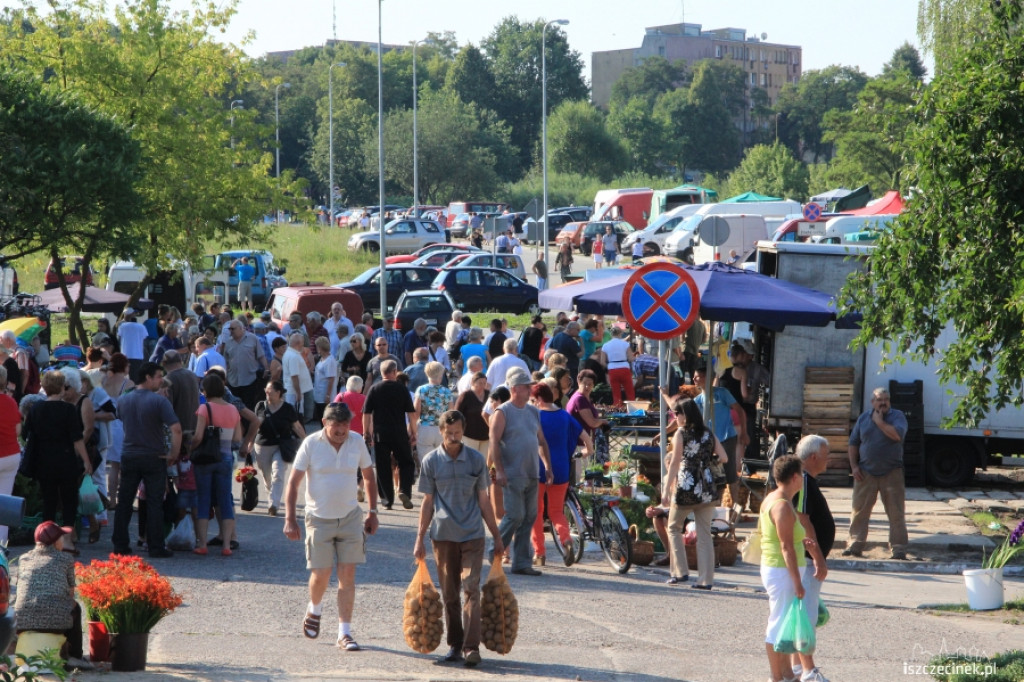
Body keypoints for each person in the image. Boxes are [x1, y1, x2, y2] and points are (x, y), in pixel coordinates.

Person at [284, 402, 378, 652]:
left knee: (347, 577)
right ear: (325, 423)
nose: (342, 430)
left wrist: (373, 512)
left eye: (346, 424)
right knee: (321, 574)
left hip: (350, 518)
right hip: (319, 518)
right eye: (337, 424)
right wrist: (290, 518)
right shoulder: (312, 443)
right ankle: (314, 608)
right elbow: (293, 483)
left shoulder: (357, 441)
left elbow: (368, 476)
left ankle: (344, 633)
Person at [413, 410, 504, 668]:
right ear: (441, 432)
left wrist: (496, 536)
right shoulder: (431, 462)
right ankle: (455, 644)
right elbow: (427, 502)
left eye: (458, 433)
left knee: (471, 588)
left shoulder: (476, 460)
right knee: (450, 594)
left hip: (473, 535)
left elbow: (485, 501)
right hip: (443, 536)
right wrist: (419, 538)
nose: (453, 437)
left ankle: (471, 647)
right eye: (449, 433)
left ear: (463, 431)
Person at [112, 362, 181, 558]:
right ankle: (156, 546)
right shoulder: (159, 402)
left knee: (124, 501)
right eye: (159, 376)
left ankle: (120, 544)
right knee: (154, 503)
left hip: (129, 454)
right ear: (148, 378)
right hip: (153, 455)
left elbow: (122, 420)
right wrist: (173, 454)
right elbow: (176, 429)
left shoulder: (123, 400)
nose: (161, 380)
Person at [488, 367, 553, 576]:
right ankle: (494, 552)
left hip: (532, 472)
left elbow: (541, 441)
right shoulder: (502, 412)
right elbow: (494, 442)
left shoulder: (534, 411)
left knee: (530, 517)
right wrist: (499, 470)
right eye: (527, 387)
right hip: (512, 473)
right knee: (514, 515)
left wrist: (548, 467)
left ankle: (522, 562)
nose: (530, 391)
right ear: (515, 389)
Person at [22, 371, 92, 554]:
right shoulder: (68, 409)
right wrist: (86, 461)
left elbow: (25, 433)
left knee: (49, 501)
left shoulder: (36, 408)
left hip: (43, 461)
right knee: (69, 500)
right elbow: (77, 438)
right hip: (66, 459)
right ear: (61, 387)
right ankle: (67, 539)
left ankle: (47, 540)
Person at [662, 398, 728, 589]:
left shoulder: (681, 434)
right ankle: (706, 580)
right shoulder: (708, 433)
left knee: (674, 527)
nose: (676, 417)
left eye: (677, 414)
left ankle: (680, 572)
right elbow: (724, 457)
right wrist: (706, 462)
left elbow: (674, 463)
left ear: (685, 415)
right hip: (706, 485)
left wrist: (666, 489)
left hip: (685, 484)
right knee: (705, 534)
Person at [14, 522, 89, 669]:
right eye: (61, 537)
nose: (63, 540)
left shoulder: (23, 559)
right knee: (75, 607)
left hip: (22, 623)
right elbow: (70, 593)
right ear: (55, 542)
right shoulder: (66, 559)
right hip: (57, 623)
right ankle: (75, 656)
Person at [844, 387, 908, 560]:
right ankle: (854, 545)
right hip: (865, 472)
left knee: (896, 512)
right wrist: (854, 467)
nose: (883, 402)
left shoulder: (897, 417)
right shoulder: (863, 418)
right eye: (879, 399)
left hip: (892, 472)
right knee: (859, 511)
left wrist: (879, 422)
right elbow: (853, 444)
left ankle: (899, 548)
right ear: (872, 402)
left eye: (886, 399)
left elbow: (897, 436)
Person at [529, 383, 589, 567]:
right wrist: (584, 453)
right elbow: (586, 439)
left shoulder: (535, 415)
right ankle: (566, 540)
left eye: (532, 399)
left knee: (536, 513)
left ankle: (540, 554)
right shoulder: (565, 416)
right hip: (561, 469)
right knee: (556, 511)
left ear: (538, 399)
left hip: (538, 468)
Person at [760, 455, 808, 682]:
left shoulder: (777, 498)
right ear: (795, 477)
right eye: (802, 475)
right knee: (778, 622)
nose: (804, 479)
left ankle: (787, 673)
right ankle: (776, 676)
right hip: (781, 570)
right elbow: (786, 547)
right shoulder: (781, 506)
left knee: (784, 622)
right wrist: (798, 582)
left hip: (779, 568)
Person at [792, 435, 835, 682]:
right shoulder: (804, 480)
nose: (829, 459)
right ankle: (808, 671)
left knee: (802, 614)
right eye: (826, 453)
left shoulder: (805, 479)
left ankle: (797, 669)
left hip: (805, 560)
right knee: (805, 616)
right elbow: (803, 518)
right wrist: (818, 556)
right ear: (813, 457)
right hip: (806, 561)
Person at [189, 373, 241, 555]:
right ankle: (227, 545)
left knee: (203, 499)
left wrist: (190, 449)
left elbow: (197, 436)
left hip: (205, 459)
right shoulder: (234, 410)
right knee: (225, 499)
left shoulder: (205, 409)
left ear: (206, 390)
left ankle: (202, 544)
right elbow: (237, 438)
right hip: (225, 458)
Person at [363, 359, 416, 510]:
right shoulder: (402, 389)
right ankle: (404, 490)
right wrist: (413, 432)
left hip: (381, 433)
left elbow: (366, 413)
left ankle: (387, 500)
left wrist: (366, 432)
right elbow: (411, 414)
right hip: (399, 431)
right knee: (406, 462)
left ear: (381, 373)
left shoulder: (374, 389)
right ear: (394, 372)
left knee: (382, 465)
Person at [691, 365, 747, 503]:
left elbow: (740, 411)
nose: (694, 379)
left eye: (697, 376)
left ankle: (734, 506)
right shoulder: (697, 401)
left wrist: (744, 432)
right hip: (709, 441)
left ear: (706, 378)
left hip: (727, 437)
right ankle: (715, 505)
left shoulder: (722, 393)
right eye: (694, 377)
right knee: (712, 473)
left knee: (730, 473)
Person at [253, 379, 306, 517]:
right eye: (266, 391)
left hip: (281, 446)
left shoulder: (288, 408)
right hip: (262, 446)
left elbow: (297, 426)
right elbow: (254, 426)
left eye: (270, 391)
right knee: (267, 476)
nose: (267, 393)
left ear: (278, 393)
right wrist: (247, 442)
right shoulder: (260, 406)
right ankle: (271, 494)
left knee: (278, 474)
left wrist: (307, 442)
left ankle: (274, 504)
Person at [719, 338, 769, 460]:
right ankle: (741, 464)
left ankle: (742, 460)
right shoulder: (741, 372)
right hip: (738, 408)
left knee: (734, 436)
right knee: (741, 439)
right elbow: (745, 394)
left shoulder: (722, 369)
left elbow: (715, 387)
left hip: (731, 408)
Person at [222, 318, 268, 410]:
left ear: (241, 328)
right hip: (233, 381)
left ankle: (247, 424)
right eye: (229, 329)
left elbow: (261, 356)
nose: (230, 331)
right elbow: (226, 361)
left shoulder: (252, 338)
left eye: (232, 329)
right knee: (234, 407)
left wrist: (266, 368)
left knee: (249, 406)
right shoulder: (228, 342)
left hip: (249, 379)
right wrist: (225, 376)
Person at [413, 361, 454, 457]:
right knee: (442, 459)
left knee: (425, 461)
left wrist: (413, 430)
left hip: (425, 428)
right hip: (442, 429)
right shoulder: (447, 391)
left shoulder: (421, 390)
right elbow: (451, 412)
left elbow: (416, 412)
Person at [0, 366, 20, 545]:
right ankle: (1, 547)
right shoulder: (11, 402)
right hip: (11, 455)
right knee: (4, 505)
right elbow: (18, 430)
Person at [283, 332, 315, 424]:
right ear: (298, 343)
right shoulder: (293, 356)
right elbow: (294, 376)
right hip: (294, 391)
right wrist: (298, 392)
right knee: (295, 416)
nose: (303, 344)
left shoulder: (292, 353)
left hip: (296, 390)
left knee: (296, 414)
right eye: (302, 342)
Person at [455, 372, 489, 455]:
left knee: (483, 462)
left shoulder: (488, 395)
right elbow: (457, 414)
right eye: (480, 383)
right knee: (470, 460)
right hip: (469, 435)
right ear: (472, 383)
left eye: (484, 383)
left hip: (486, 436)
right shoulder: (465, 396)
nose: (482, 385)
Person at [602, 326, 635, 404]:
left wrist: (608, 367)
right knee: (630, 391)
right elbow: (631, 358)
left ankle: (617, 409)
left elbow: (602, 362)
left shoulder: (605, 345)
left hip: (612, 369)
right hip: (624, 368)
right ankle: (633, 409)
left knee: (616, 393)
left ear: (611, 334)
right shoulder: (625, 344)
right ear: (620, 333)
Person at [312, 336, 339, 424]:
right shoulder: (322, 359)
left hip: (324, 395)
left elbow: (331, 379)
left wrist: (328, 395)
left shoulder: (329, 361)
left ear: (320, 347)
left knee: (325, 417)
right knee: (321, 416)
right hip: (319, 392)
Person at [117, 308, 148, 381]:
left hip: (125, 354)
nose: (135, 314)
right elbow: (145, 338)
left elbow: (119, 338)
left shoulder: (121, 326)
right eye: (133, 313)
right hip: (137, 355)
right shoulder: (141, 326)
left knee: (126, 376)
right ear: (129, 315)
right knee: (136, 376)